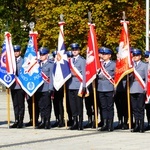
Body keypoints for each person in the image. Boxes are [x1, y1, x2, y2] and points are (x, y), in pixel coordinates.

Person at [67, 43, 86, 130]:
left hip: (79, 85)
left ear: (79, 51)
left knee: (79, 105)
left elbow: (84, 74)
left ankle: (80, 123)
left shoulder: (82, 60)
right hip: (70, 85)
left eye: (76, 50)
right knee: (72, 105)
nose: (74, 51)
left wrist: (84, 85)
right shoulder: (69, 61)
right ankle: (75, 122)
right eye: (73, 50)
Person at [97, 47, 116, 132]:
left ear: (109, 56)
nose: (103, 56)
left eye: (105, 54)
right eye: (103, 54)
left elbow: (116, 77)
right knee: (103, 107)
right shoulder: (99, 64)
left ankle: (110, 124)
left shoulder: (113, 64)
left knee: (110, 107)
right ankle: (105, 123)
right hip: (100, 87)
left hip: (109, 87)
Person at [35, 47, 54, 129]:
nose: (41, 56)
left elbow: (52, 77)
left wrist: (51, 88)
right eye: (40, 55)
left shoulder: (51, 64)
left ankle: (47, 121)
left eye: (43, 55)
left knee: (47, 105)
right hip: (39, 88)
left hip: (46, 88)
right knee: (40, 105)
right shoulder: (37, 64)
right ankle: (42, 120)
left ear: (47, 55)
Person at [130, 48, 148, 133]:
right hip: (132, 88)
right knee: (135, 108)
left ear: (140, 56)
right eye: (134, 55)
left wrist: (146, 88)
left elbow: (147, 78)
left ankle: (141, 126)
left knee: (140, 108)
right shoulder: (130, 65)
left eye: (137, 55)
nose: (135, 57)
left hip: (141, 88)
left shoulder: (144, 65)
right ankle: (136, 124)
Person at [9, 45, 26, 128]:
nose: (16, 53)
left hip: (20, 86)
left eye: (17, 51)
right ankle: (16, 120)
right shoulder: (11, 61)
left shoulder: (23, 61)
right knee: (15, 104)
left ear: (20, 52)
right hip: (13, 85)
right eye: (14, 51)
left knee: (21, 104)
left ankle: (21, 121)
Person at [114, 47, 128, 130]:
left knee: (125, 106)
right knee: (118, 106)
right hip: (116, 88)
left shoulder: (126, 64)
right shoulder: (114, 64)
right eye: (118, 53)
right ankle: (120, 121)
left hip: (125, 88)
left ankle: (126, 122)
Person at [144, 51, 150, 131]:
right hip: (147, 90)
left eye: (147, 57)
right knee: (148, 108)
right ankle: (149, 123)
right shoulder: (145, 66)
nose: (146, 58)